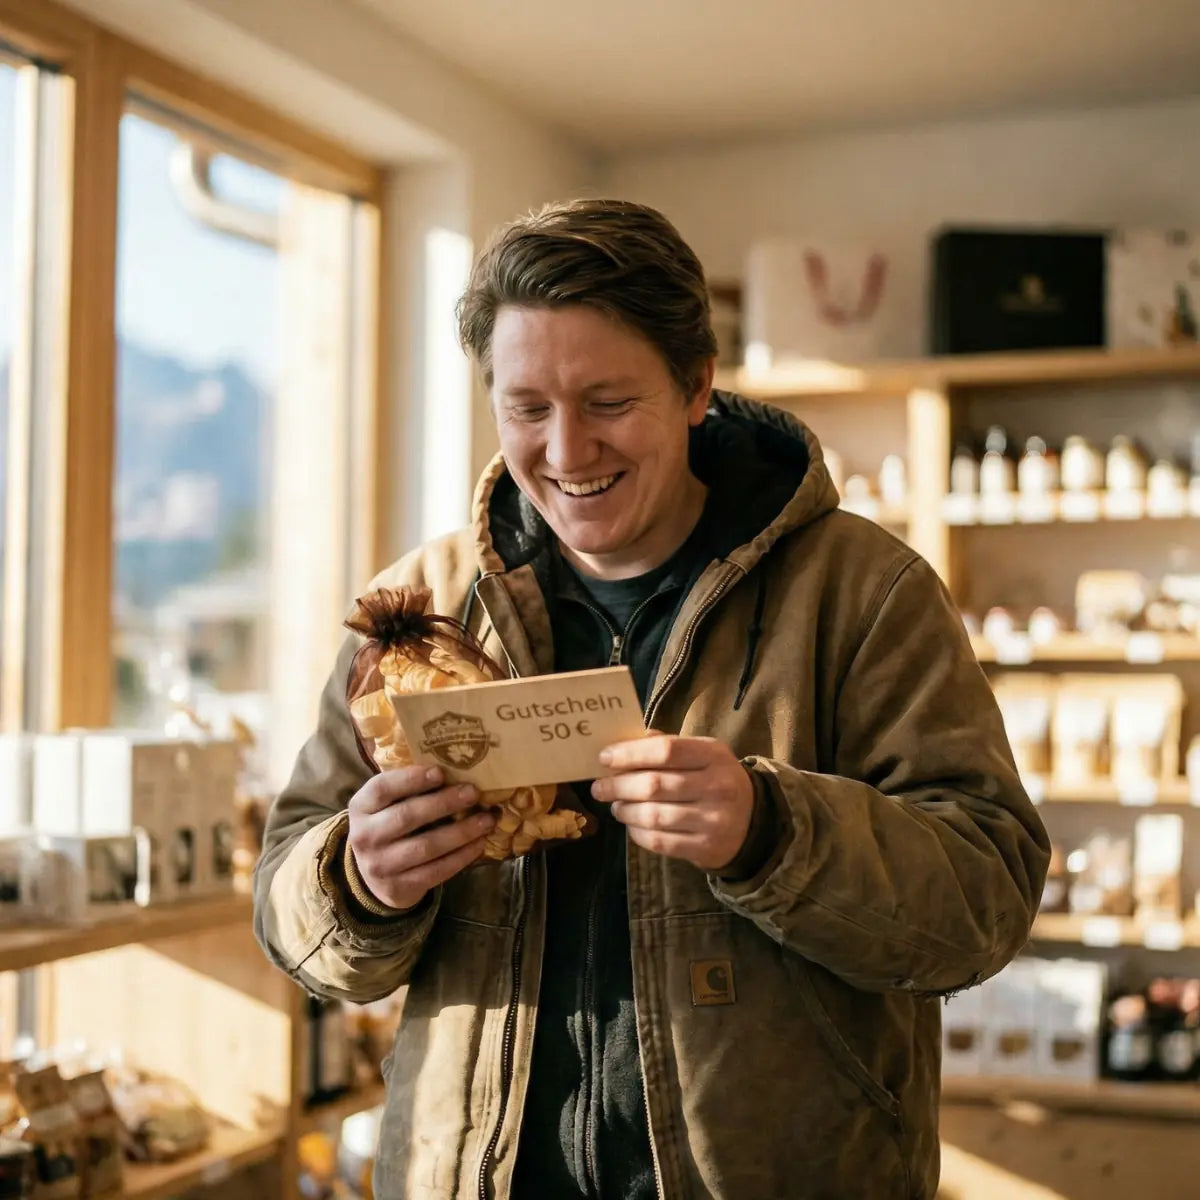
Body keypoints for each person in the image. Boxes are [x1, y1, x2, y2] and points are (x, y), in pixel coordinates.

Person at [254, 198, 1050, 1200]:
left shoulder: (863, 594)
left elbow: (985, 899)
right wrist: (359, 879)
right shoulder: (418, 609)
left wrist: (773, 830)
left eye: (608, 402)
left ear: (696, 386)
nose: (566, 451)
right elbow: (290, 913)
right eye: (527, 408)